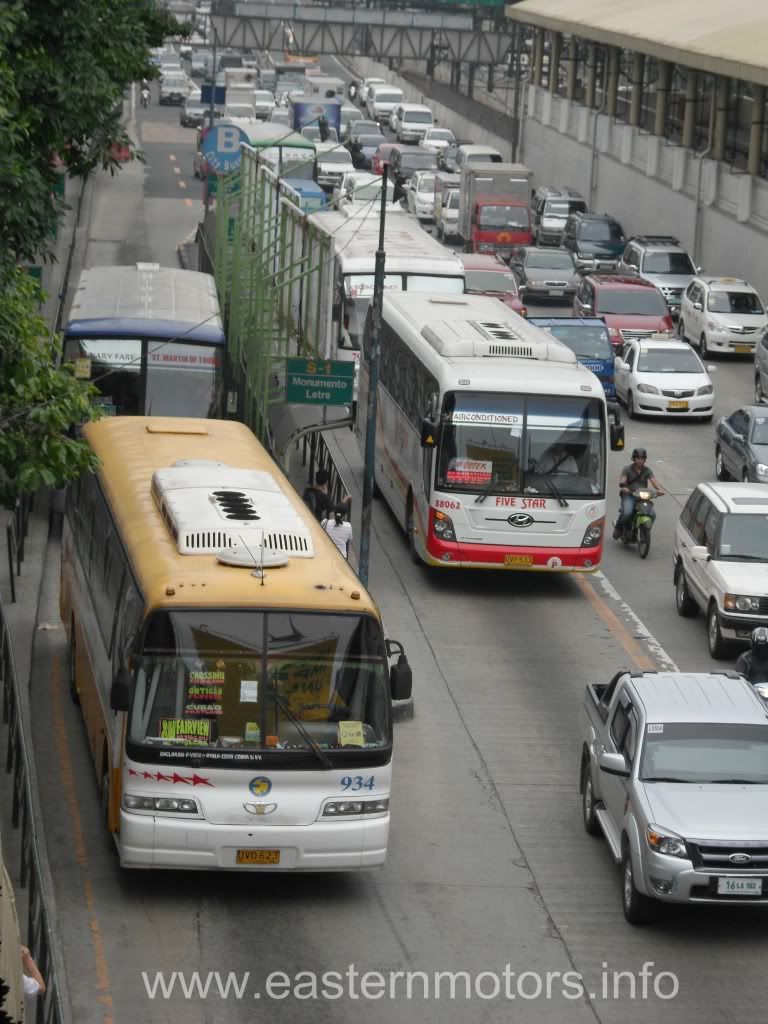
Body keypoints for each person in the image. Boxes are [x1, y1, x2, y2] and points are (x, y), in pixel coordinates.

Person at [613, 447, 665, 538]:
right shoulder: (627, 469)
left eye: (642, 459)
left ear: (645, 460)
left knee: (652, 514)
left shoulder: (647, 470)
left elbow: (653, 481)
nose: (640, 461)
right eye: (638, 458)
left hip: (643, 496)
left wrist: (659, 489)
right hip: (629, 495)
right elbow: (623, 480)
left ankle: (644, 529)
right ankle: (618, 528)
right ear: (634, 458)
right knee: (627, 513)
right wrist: (624, 487)